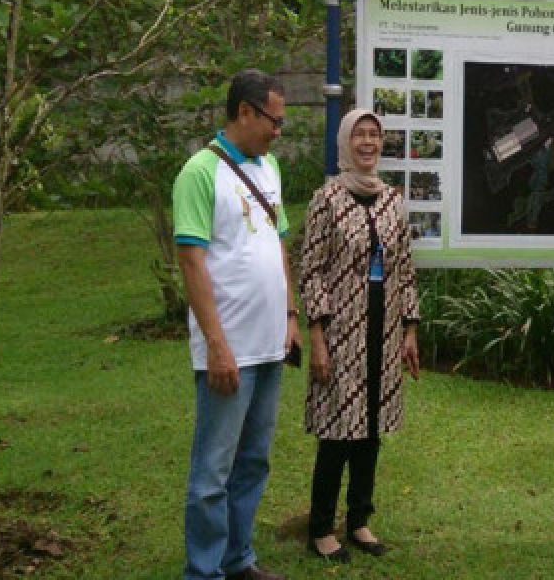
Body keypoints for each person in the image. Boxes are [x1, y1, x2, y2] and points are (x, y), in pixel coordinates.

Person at [173, 69, 301, 580]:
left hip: (270, 346)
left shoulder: (267, 167)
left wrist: (290, 317)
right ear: (245, 111)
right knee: (212, 473)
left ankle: (238, 558)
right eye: (275, 120)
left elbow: (279, 246)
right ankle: (203, 571)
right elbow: (191, 261)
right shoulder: (200, 173)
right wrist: (217, 345)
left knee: (253, 462)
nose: (279, 131)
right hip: (229, 352)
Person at [299, 109, 421, 562]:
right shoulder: (326, 199)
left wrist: (410, 328)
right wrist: (317, 336)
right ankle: (320, 527)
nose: (368, 143)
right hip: (340, 332)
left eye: (374, 135)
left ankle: (359, 520)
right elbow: (311, 271)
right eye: (360, 135)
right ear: (345, 142)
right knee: (337, 431)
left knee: (370, 429)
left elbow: (404, 269)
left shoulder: (392, 200)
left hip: (383, 330)